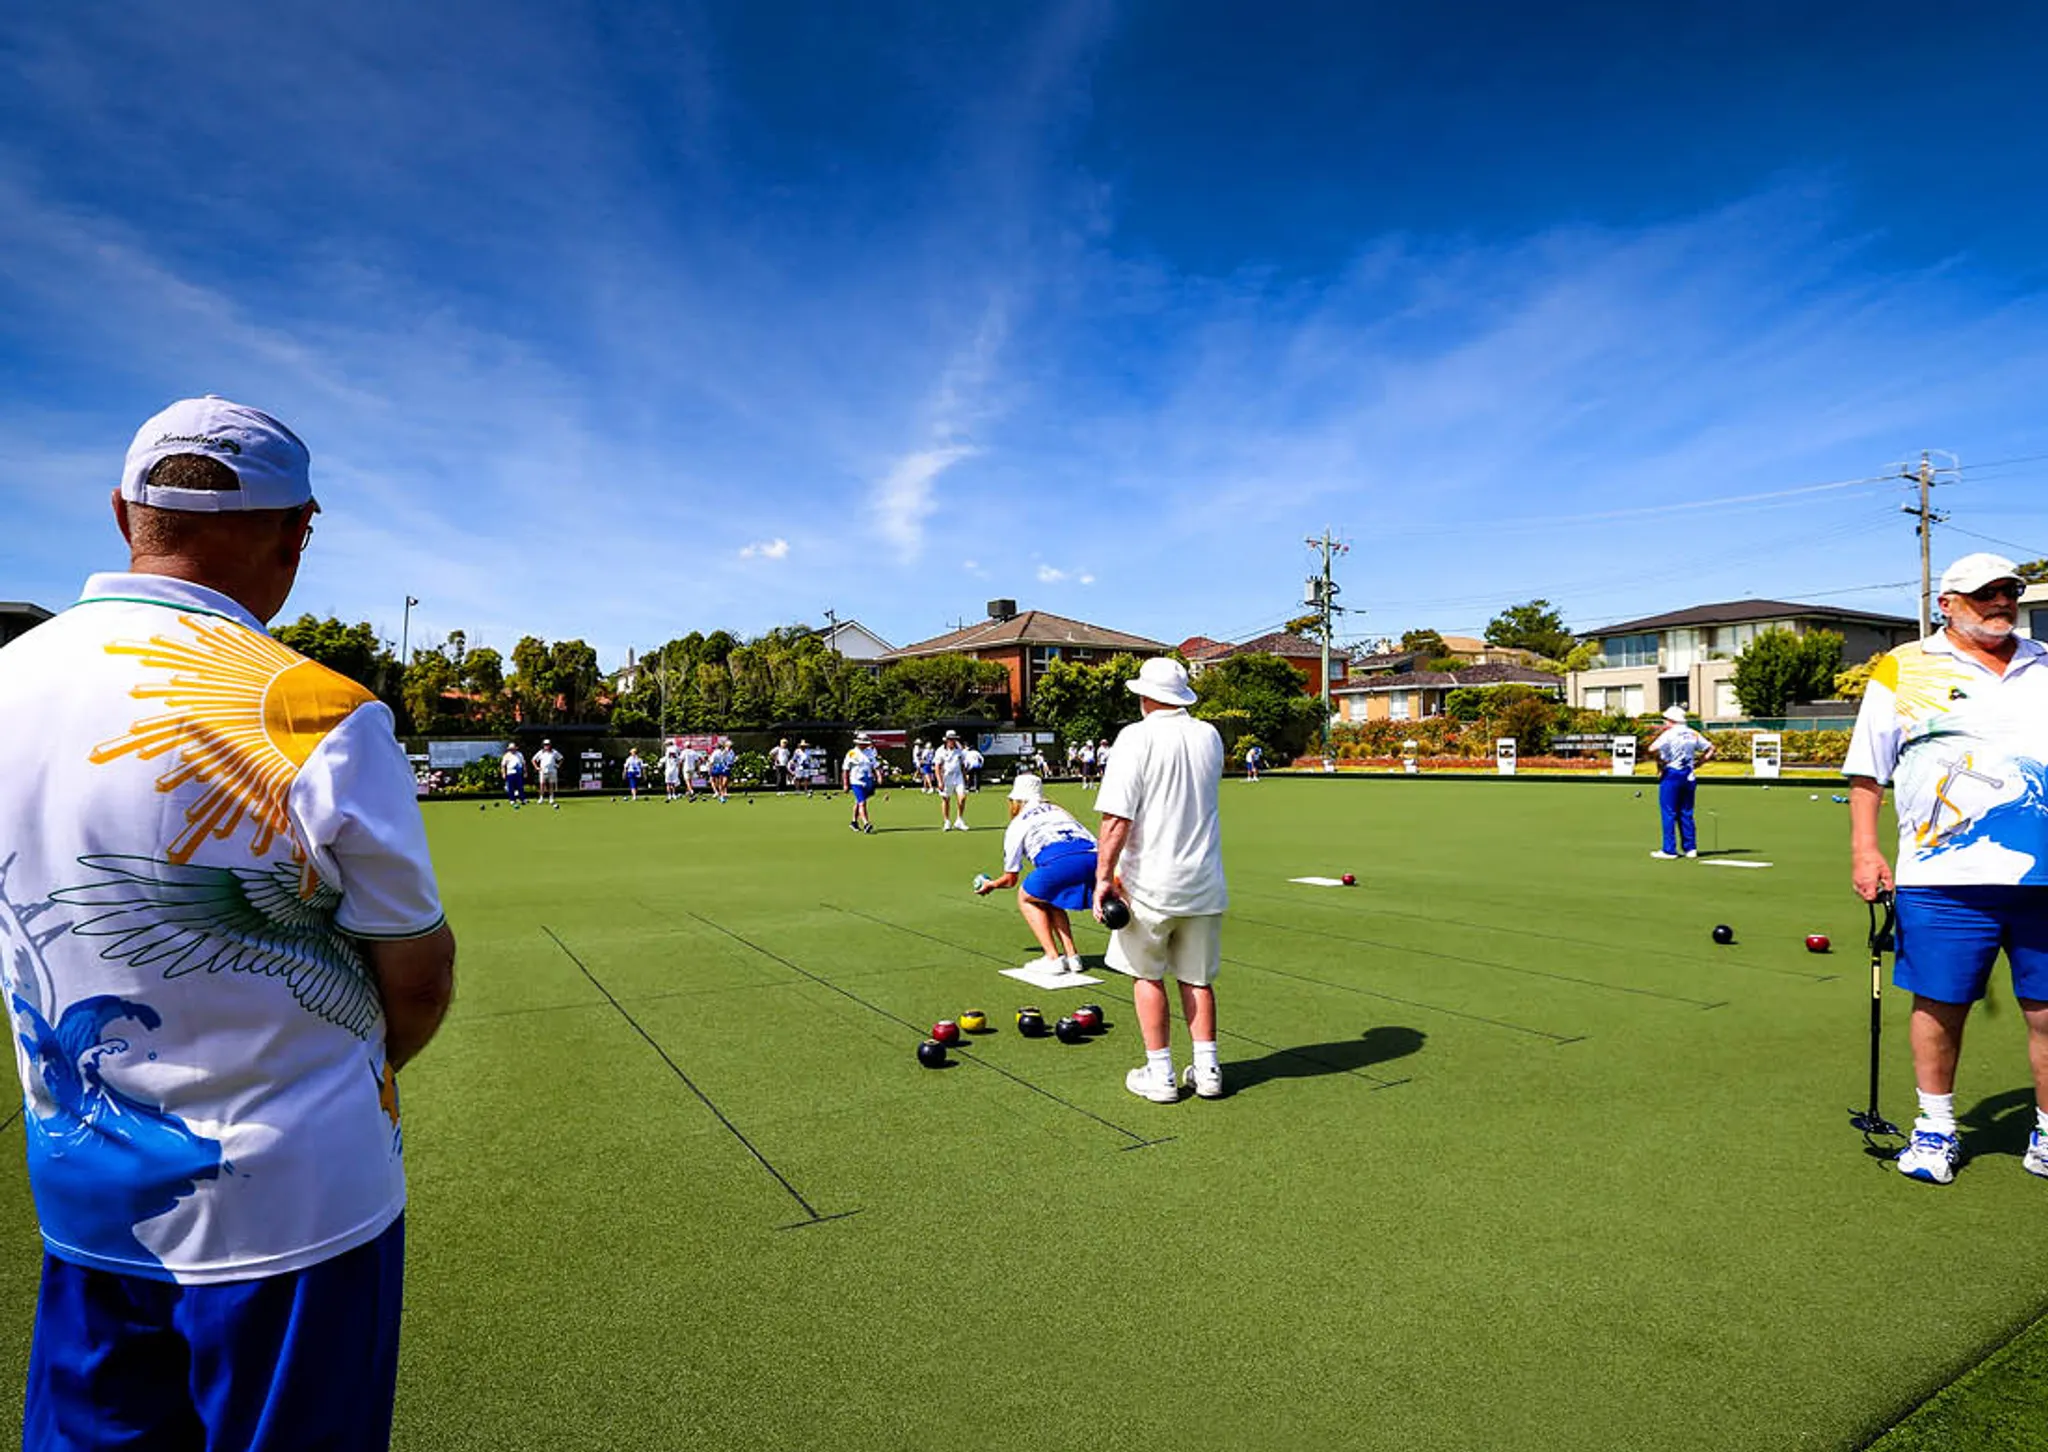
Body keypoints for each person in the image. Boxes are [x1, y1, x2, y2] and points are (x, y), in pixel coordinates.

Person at [0, 396, 455, 1449]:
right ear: (298, 531)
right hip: (295, 1210)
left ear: (125, 514)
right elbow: (417, 980)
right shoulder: (316, 708)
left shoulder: (9, 679)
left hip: (83, 1195)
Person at [1846, 552, 2048, 1186]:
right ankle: (1935, 1129)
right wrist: (1865, 849)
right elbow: (1866, 769)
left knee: (2047, 1010)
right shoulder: (1903, 667)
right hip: (1943, 875)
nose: (2000, 602)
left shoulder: (2045, 663)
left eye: (2009, 591)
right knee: (1941, 1005)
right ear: (1947, 603)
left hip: (2043, 875)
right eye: (1984, 593)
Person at [1094, 657, 1228, 1104]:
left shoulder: (1135, 737)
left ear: (1145, 696)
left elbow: (1116, 818)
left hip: (1149, 882)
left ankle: (1161, 1075)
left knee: (1146, 975)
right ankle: (1208, 1071)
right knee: (1197, 979)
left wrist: (1101, 879)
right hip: (1204, 880)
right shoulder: (1209, 735)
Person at [977, 774, 1096, 976]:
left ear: (1015, 800)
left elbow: (1010, 879)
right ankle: (1072, 957)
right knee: (1048, 897)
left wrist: (991, 885)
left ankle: (1052, 958)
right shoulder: (1060, 811)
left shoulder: (1018, 823)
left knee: (1026, 898)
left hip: (1060, 861)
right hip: (1094, 859)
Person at [1646, 706, 1714, 858]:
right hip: (1689, 775)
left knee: (1669, 812)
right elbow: (1710, 749)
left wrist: (1660, 763)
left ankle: (1669, 850)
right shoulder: (1693, 733)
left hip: (1671, 773)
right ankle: (1691, 848)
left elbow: (1651, 749)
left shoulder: (1669, 734)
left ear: (1671, 720)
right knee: (1686, 812)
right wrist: (1698, 764)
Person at [842, 731, 882, 833]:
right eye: (862, 743)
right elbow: (845, 769)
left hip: (868, 781)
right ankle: (866, 824)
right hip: (856, 781)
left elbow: (875, 765)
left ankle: (854, 822)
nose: (864, 745)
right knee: (862, 803)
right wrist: (846, 784)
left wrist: (878, 776)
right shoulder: (851, 753)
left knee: (859, 802)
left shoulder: (870, 752)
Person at [934, 729, 970, 830]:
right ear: (946, 740)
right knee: (946, 799)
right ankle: (947, 821)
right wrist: (940, 781)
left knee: (962, 798)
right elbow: (937, 767)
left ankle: (959, 820)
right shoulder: (940, 751)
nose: (952, 741)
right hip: (946, 778)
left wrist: (965, 776)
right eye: (950, 739)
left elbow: (962, 764)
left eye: (953, 739)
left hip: (958, 777)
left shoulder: (959, 750)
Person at [533, 738, 563, 808]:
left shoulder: (554, 752)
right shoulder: (540, 752)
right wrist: (536, 767)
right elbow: (533, 760)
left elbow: (561, 758)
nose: (546, 746)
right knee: (542, 785)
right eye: (545, 745)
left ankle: (551, 798)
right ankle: (541, 798)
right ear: (543, 745)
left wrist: (558, 765)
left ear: (550, 745)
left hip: (552, 771)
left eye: (548, 744)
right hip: (543, 771)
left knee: (551, 785)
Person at [500, 741, 527, 808]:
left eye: (513, 748)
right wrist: (503, 773)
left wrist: (525, 772)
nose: (512, 750)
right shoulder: (506, 755)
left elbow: (523, 763)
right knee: (511, 787)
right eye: (511, 749)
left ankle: (522, 799)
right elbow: (503, 765)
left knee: (520, 787)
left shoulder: (519, 754)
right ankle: (512, 799)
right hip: (510, 773)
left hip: (519, 773)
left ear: (515, 748)